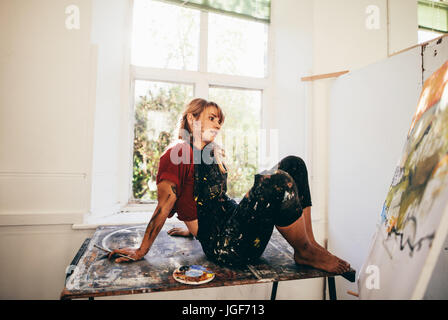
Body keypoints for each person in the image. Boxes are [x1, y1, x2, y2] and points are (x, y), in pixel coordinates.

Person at [109, 98, 350, 274]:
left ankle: (310, 245)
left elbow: (206, 200)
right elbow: (165, 205)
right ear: (192, 119)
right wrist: (141, 250)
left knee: (294, 164)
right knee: (277, 181)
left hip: (235, 226)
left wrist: (190, 226)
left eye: (219, 120)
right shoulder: (176, 154)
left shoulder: (211, 154)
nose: (218, 124)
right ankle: (305, 250)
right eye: (211, 118)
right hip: (225, 246)